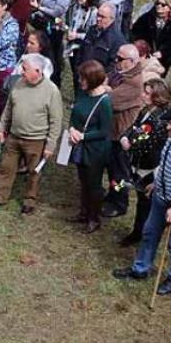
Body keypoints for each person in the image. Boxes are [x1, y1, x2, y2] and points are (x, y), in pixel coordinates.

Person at [112, 104, 171, 296]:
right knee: (149, 233)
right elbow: (163, 163)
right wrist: (156, 183)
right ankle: (140, 269)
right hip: (161, 196)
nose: (168, 127)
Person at [0, 54, 63, 214]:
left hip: (36, 140)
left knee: (33, 172)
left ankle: (30, 200)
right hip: (14, 136)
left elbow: (56, 121)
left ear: (37, 70)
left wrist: (50, 145)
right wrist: (1, 128)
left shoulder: (51, 91)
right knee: (6, 167)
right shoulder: (19, 84)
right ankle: (1, 196)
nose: (21, 72)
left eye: (25, 69)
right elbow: (8, 109)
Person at [116, 77, 171, 245]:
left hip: (150, 167)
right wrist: (125, 137)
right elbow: (133, 127)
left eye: (147, 93)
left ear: (158, 96)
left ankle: (144, 235)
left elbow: (149, 145)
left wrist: (130, 146)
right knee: (142, 202)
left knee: (147, 204)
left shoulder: (160, 119)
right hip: (139, 164)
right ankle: (138, 232)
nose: (143, 95)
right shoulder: (145, 111)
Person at [63, 60, 112, 233]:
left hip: (95, 150)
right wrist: (71, 128)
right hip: (80, 146)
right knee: (83, 181)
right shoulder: (83, 94)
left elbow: (105, 131)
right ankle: (84, 212)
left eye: (83, 78)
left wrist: (83, 136)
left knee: (94, 184)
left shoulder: (104, 102)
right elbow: (74, 113)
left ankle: (94, 217)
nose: (79, 81)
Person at [103, 44, 148, 219]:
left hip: (122, 133)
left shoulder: (134, 82)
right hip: (113, 130)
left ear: (131, 61)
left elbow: (109, 99)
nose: (116, 61)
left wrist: (108, 89)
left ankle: (119, 203)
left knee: (120, 172)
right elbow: (104, 80)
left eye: (120, 59)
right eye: (117, 57)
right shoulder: (120, 71)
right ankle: (112, 196)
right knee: (113, 169)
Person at [130, 0, 171, 72]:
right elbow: (135, 34)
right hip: (146, 57)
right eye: (157, 4)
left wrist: (163, 53)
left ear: (170, 7)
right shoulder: (147, 18)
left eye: (163, 5)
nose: (159, 7)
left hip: (167, 61)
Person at [78, 0, 123, 78]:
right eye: (98, 15)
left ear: (112, 19)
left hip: (98, 80)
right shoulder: (92, 30)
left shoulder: (117, 40)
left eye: (102, 17)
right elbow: (82, 50)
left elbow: (113, 66)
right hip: (83, 75)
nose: (98, 19)